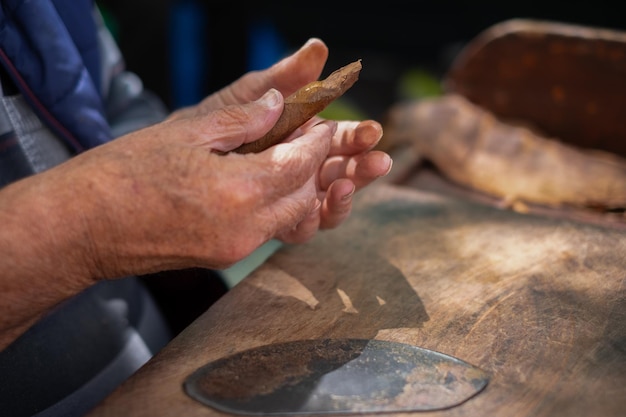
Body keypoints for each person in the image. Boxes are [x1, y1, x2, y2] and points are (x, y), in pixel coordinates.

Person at [0, 1, 391, 416]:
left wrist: (198, 150)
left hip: (167, 362)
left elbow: (111, 109)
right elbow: (95, 208)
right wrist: (95, 224)